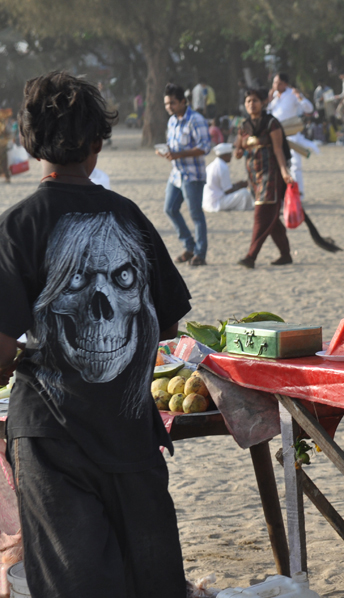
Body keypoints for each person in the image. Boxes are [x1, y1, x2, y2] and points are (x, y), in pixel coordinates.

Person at [0, 71, 192, 598]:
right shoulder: (129, 218)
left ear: (28, 141)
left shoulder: (17, 227)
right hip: (131, 436)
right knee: (153, 583)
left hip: (51, 444)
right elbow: (167, 322)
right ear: (95, 145)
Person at [234, 88, 293, 268]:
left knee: (261, 216)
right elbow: (238, 151)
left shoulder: (271, 123)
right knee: (271, 219)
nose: (252, 104)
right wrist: (239, 149)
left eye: (255, 101)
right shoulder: (243, 126)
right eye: (248, 101)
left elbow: (278, 149)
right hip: (253, 176)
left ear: (262, 103)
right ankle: (285, 254)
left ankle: (251, 256)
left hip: (271, 175)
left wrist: (284, 172)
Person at [157, 83, 211, 266]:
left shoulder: (195, 120)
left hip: (193, 175)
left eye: (172, 103)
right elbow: (173, 145)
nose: (169, 107)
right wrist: (166, 152)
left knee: (196, 214)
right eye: (166, 104)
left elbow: (205, 147)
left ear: (183, 102)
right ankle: (189, 246)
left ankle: (200, 253)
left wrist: (180, 154)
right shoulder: (172, 121)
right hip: (176, 174)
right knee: (170, 209)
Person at [268, 73, 319, 197]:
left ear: (285, 84)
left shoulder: (292, 94)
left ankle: (299, 193)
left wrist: (299, 96)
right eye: (274, 83)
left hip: (291, 134)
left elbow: (309, 109)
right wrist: (269, 99)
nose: (276, 85)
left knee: (295, 165)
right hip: (275, 135)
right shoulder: (273, 97)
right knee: (276, 165)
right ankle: (281, 193)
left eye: (279, 83)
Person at [203, 143, 253, 212]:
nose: (231, 156)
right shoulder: (222, 167)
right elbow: (228, 191)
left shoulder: (212, 165)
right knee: (245, 193)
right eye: (230, 154)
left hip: (207, 202)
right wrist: (241, 185)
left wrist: (237, 185)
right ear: (225, 155)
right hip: (217, 202)